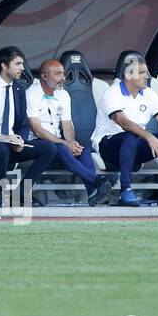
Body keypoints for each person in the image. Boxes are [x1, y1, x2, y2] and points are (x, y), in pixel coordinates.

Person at [91, 53, 158, 208]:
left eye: (147, 73)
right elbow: (124, 123)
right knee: (131, 136)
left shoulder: (149, 93)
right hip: (109, 145)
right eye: (142, 73)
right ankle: (125, 190)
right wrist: (149, 137)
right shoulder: (112, 93)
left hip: (135, 144)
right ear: (128, 76)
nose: (147, 77)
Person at [0, 46, 58, 201]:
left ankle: (22, 192)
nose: (22, 68)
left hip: (12, 145)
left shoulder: (19, 89)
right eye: (18, 64)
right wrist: (3, 138)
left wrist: (20, 140)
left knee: (50, 147)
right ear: (4, 66)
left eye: (22, 64)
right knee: (1, 147)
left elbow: (24, 123)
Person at [27, 58, 116, 206]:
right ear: (44, 76)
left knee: (84, 151)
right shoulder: (31, 94)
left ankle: (94, 194)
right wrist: (65, 143)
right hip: (38, 144)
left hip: (58, 142)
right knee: (61, 148)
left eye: (63, 74)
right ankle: (97, 182)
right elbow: (38, 131)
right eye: (57, 74)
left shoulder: (63, 95)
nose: (63, 78)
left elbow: (67, 125)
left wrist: (72, 143)